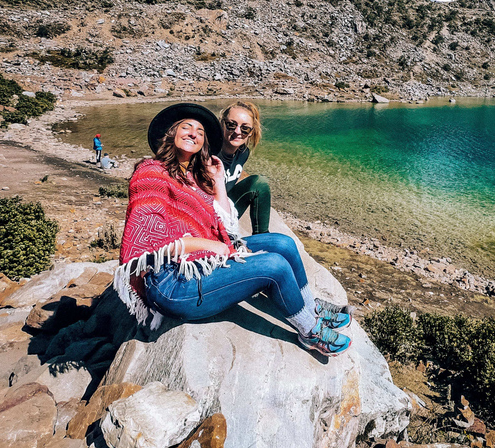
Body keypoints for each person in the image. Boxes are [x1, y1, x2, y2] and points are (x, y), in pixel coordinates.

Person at [113, 102, 352, 356]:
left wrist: (217, 182)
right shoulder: (151, 173)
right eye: (187, 127)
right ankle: (310, 331)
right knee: (274, 266)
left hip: (199, 264)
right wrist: (210, 245)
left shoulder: (192, 177)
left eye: (201, 132)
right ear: (171, 133)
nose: (194, 133)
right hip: (172, 285)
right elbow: (151, 245)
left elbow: (227, 224)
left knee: (283, 244)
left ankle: (309, 307)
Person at [216, 101, 271, 235]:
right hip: (206, 215)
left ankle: (262, 236)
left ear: (251, 132)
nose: (237, 132)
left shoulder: (242, 153)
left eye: (245, 128)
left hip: (226, 210)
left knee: (259, 183)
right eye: (231, 125)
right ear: (221, 123)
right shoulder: (210, 153)